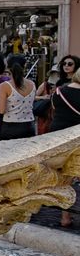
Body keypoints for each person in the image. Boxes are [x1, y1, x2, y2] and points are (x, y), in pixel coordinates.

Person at [50, 67, 80, 226]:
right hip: (77, 137)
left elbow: (55, 110)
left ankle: (65, 217)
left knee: (65, 177)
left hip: (58, 137)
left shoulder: (59, 91)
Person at [0, 54, 36, 140]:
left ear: (7, 67)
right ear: (24, 66)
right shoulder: (32, 84)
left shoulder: (4, 86)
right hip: (29, 125)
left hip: (10, 126)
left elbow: (1, 110)